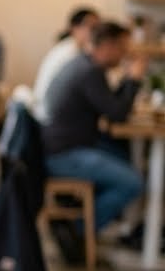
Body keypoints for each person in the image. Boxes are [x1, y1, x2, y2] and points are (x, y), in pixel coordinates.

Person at [42, 20, 146, 253]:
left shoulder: (82, 64)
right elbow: (118, 114)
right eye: (123, 48)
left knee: (124, 157)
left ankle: (108, 227)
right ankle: (76, 231)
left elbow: (111, 106)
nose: (125, 54)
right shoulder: (89, 72)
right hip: (64, 155)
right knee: (133, 182)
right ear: (109, 46)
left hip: (62, 146)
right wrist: (134, 79)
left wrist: (128, 80)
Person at [32, 6, 99, 121]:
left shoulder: (70, 48)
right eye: (92, 27)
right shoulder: (70, 54)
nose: (96, 32)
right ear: (74, 28)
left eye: (98, 27)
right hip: (50, 117)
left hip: (50, 113)